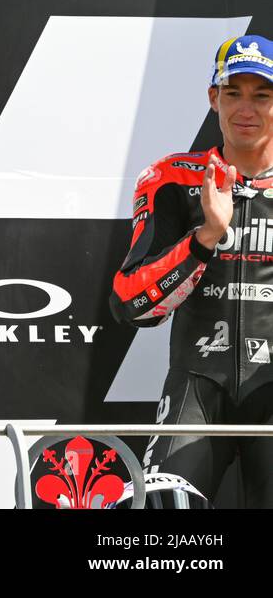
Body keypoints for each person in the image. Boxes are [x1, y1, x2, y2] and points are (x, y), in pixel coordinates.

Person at [111, 34, 273, 506]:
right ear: (213, 98)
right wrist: (205, 237)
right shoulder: (173, 178)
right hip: (197, 386)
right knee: (163, 504)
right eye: (233, 93)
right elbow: (131, 305)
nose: (246, 109)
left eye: (262, 95)